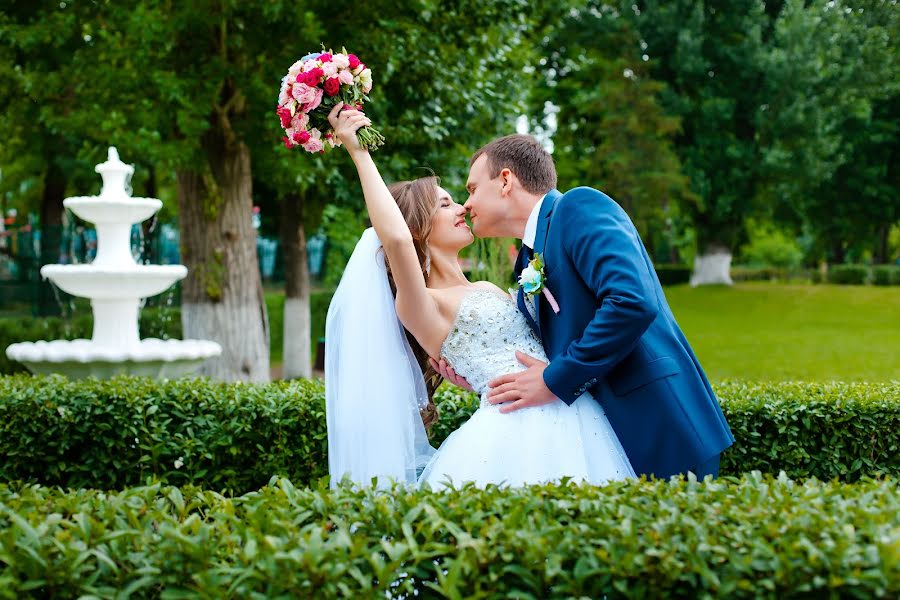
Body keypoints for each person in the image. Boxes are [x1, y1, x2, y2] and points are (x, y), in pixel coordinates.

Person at [324, 105, 634, 488]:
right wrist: (358, 151)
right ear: (418, 226)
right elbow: (397, 239)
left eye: (459, 197)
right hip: (515, 433)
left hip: (573, 409)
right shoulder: (421, 303)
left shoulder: (485, 288)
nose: (463, 208)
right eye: (445, 203)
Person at [434, 134, 734, 479]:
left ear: (505, 181)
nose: (466, 205)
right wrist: (481, 372)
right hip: (599, 438)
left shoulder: (578, 208)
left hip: (657, 423)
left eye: (472, 189)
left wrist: (555, 380)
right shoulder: (528, 259)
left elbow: (631, 302)